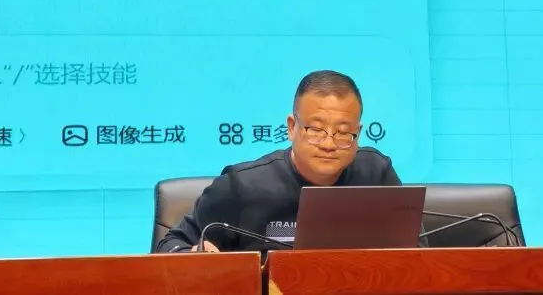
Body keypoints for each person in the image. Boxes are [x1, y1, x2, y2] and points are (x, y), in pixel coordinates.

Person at [155, 69, 410, 252]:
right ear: (291, 127)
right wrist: (192, 254)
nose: (329, 144)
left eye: (344, 132)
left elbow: (415, 255)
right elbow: (169, 245)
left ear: (358, 132)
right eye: (316, 130)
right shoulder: (241, 186)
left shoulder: (377, 175)